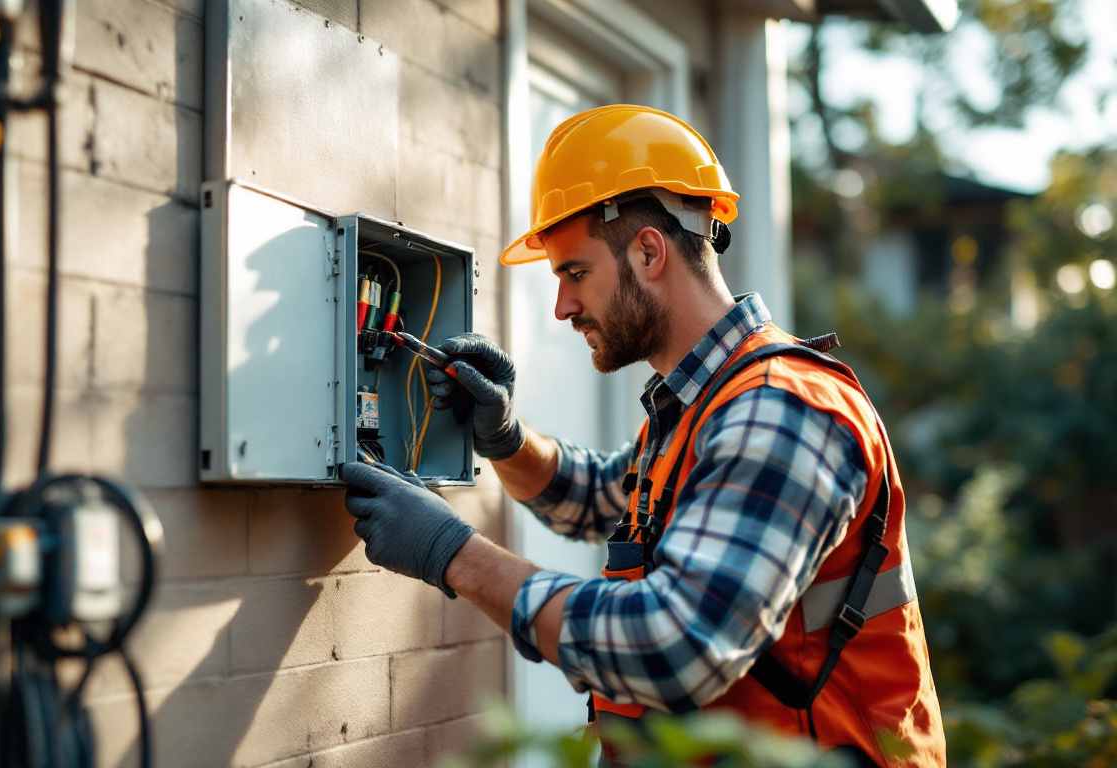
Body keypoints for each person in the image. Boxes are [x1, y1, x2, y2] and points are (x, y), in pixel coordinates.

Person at [341, 105, 946, 767]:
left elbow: (674, 646)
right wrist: (507, 438)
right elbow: (603, 496)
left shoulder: (780, 411)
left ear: (648, 252)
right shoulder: (706, 405)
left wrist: (453, 554)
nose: (563, 307)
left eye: (574, 274)